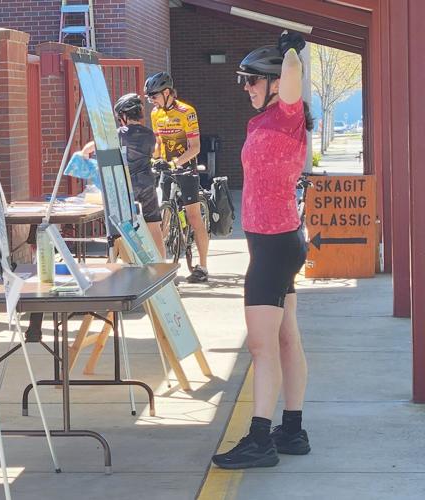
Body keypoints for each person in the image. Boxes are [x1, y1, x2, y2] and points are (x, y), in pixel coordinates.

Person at [212, 31, 313, 470]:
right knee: (285, 338)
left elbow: (294, 73)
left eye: (253, 80)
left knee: (260, 346)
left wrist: (290, 51)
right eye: (244, 80)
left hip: (274, 247)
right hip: (275, 242)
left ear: (275, 83)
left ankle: (259, 439)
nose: (246, 88)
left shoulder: (289, 114)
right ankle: (291, 430)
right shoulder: (262, 122)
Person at [145, 72, 210, 283]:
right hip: (166, 168)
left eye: (154, 96)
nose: (152, 101)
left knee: (193, 216)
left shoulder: (186, 112)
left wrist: (176, 162)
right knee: (163, 218)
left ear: (166, 92)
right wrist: (154, 159)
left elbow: (195, 147)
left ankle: (202, 265)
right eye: (149, 98)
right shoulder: (156, 114)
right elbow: (158, 142)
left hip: (186, 168)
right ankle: (164, 266)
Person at [80, 93, 164, 255]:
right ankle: (162, 267)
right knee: (154, 226)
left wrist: (83, 154)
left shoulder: (118, 134)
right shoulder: (149, 134)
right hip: (147, 185)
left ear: (123, 116)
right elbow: (155, 155)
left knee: (122, 227)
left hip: (126, 187)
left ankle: (127, 261)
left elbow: (89, 148)